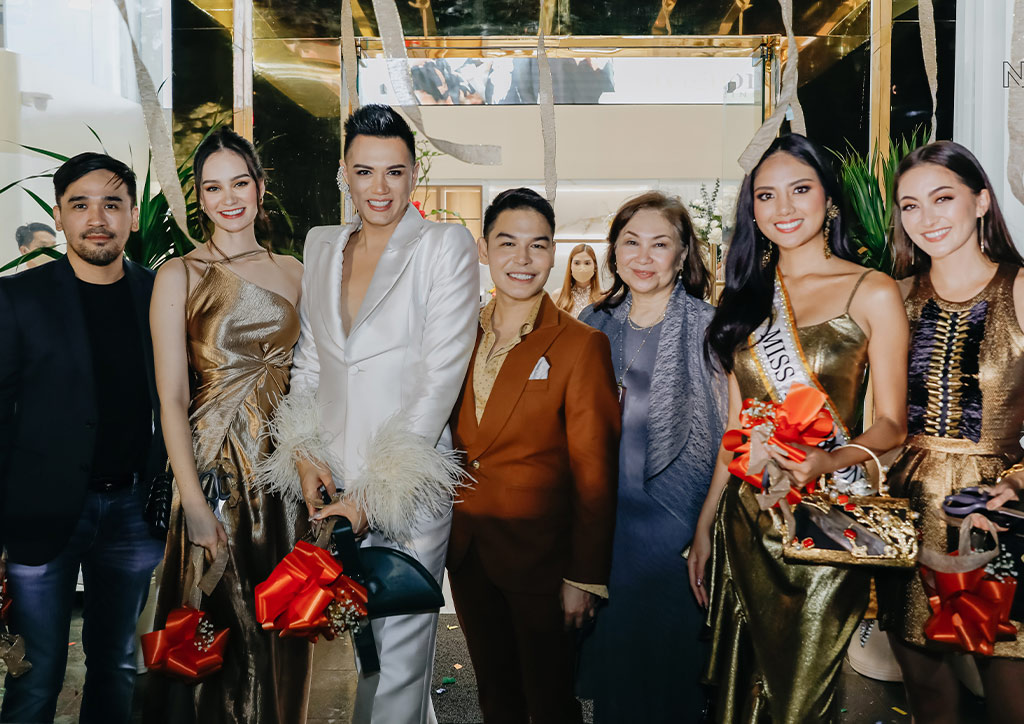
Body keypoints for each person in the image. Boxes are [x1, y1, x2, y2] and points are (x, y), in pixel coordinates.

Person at [256, 104, 479, 724]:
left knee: (403, 662)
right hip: (331, 481)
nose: (379, 188)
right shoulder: (321, 244)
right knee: (367, 658)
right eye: (364, 171)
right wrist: (304, 455)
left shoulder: (444, 245)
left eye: (394, 172)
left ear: (414, 175)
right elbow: (310, 361)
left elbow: (441, 377)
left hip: (406, 481)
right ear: (343, 174)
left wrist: (371, 493)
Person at [692, 134, 909, 723]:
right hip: (748, 517)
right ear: (752, 210)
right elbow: (735, 426)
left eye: (800, 190)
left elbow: (893, 424)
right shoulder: (745, 297)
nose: (783, 208)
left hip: (824, 521)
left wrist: (830, 461)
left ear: (828, 200)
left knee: (803, 696)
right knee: (744, 687)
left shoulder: (872, 289)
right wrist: (706, 524)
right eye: (766, 195)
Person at [146, 127, 308, 724]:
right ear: (199, 196)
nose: (228, 198)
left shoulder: (296, 270)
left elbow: (314, 379)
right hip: (215, 472)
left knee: (282, 626)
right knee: (219, 632)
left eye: (239, 183)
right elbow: (171, 397)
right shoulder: (180, 274)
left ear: (260, 187)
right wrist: (192, 502)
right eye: (213, 187)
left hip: (284, 471)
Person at [0, 153, 166, 724]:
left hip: (132, 513)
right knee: (36, 676)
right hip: (39, 513)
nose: (97, 218)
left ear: (133, 216)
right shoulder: (18, 298)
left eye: (112, 204)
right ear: (59, 215)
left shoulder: (159, 295)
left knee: (116, 666)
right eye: (80, 205)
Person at [446, 188, 620, 724]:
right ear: (483, 249)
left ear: (553, 253)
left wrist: (584, 577)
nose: (522, 259)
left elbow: (596, 472)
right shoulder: (453, 333)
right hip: (468, 549)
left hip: (543, 560)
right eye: (507, 243)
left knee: (549, 704)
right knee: (495, 698)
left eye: (538, 245)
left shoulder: (580, 344)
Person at [875, 141, 1024, 724]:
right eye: (910, 205)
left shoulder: (1019, 288)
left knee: (1012, 695)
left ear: (981, 201)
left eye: (942, 198)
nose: (926, 218)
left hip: (999, 513)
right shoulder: (895, 297)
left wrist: (1017, 482)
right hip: (910, 506)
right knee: (928, 695)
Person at [577, 191, 727, 722]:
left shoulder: (711, 327)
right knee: (615, 677)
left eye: (660, 244)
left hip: (676, 528)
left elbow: (731, 437)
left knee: (674, 675)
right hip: (604, 526)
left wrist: (705, 526)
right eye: (631, 242)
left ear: (683, 255)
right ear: (614, 251)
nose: (643, 257)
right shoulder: (593, 321)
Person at [554, 242, 605, 317]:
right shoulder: (558, 295)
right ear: (570, 267)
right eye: (577, 263)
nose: (582, 268)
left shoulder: (604, 297)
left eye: (587, 263)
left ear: (595, 267)